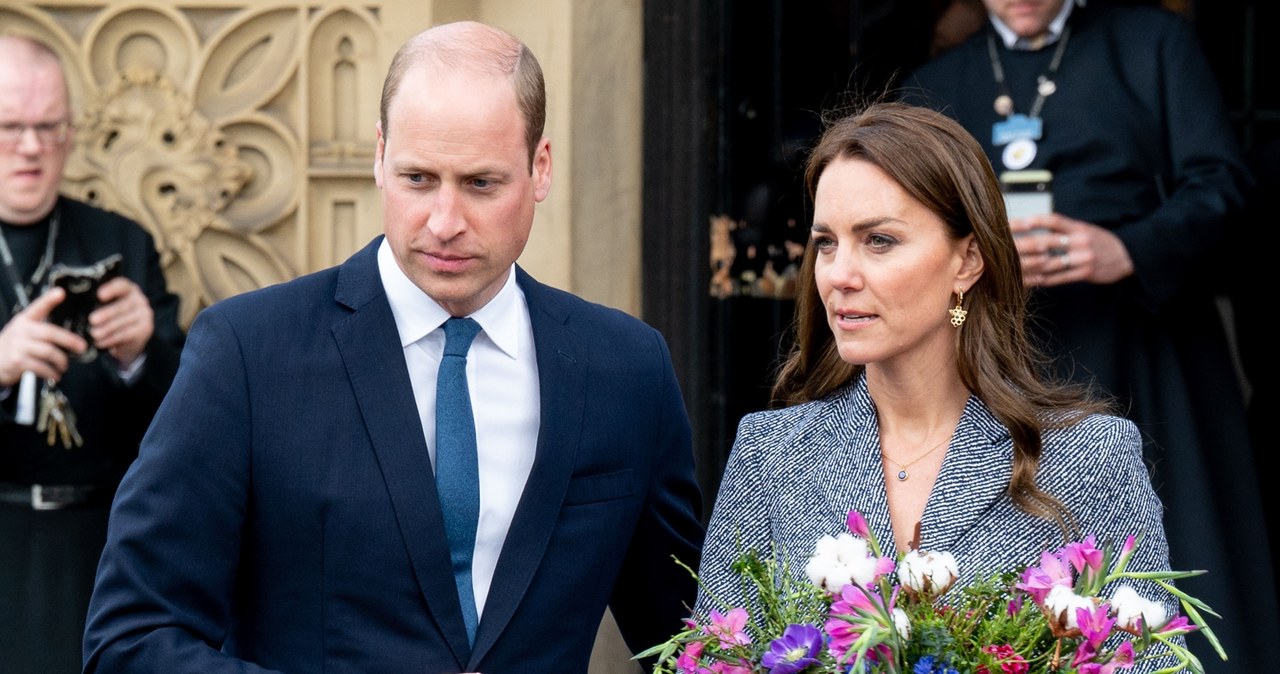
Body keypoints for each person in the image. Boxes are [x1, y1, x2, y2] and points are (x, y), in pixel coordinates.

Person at [83, 20, 704, 673]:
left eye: (480, 184)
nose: (444, 222)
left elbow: (695, 647)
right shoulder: (246, 354)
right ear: (379, 156)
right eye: (417, 179)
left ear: (540, 167)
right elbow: (130, 640)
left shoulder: (627, 369)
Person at [694, 102, 1186, 671]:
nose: (838, 275)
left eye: (878, 240)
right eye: (826, 242)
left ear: (968, 260)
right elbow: (716, 657)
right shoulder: (771, 451)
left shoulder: (1090, 457)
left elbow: (1151, 659)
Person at [898, 0, 1279, 667]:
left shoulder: (1151, 43)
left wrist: (1127, 249)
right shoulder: (938, 84)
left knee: (1176, 545)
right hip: (998, 361)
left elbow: (1222, 185)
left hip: (1143, 352)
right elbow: (905, 222)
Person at [0, 33, 185, 674]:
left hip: (101, 549)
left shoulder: (122, 242)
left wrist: (143, 353)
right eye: (10, 127)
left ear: (71, 132)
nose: (31, 148)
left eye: (49, 127)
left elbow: (186, 425)